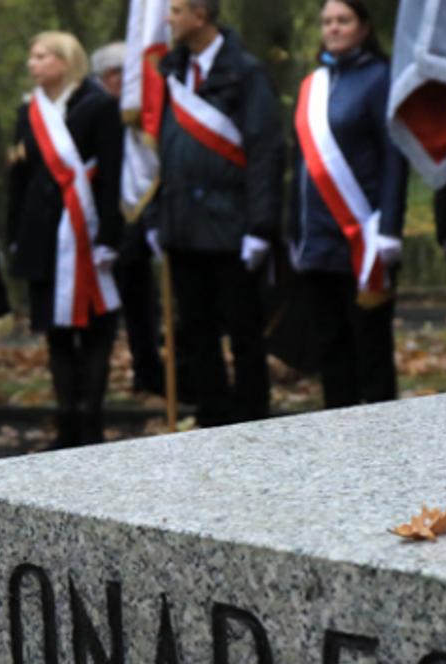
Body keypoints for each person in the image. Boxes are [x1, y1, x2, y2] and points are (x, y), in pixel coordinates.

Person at [154, 0, 282, 426]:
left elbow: (264, 151)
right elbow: (164, 150)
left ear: (200, 15)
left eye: (176, 10)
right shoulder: (172, 72)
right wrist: (157, 217)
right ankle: (211, 419)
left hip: (233, 224)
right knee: (196, 331)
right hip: (182, 224)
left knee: (244, 331)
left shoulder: (246, 73)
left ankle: (252, 418)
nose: (168, 18)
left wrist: (261, 225)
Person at [9, 32, 124, 449]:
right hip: (43, 236)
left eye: (42, 56)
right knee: (56, 333)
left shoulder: (98, 106)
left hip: (87, 235)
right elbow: (19, 179)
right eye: (32, 56)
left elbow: (112, 174)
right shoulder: (29, 111)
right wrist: (14, 235)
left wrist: (110, 236)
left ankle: (91, 422)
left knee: (95, 333)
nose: (32, 64)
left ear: (65, 60)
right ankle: (66, 423)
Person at [291, 0, 405, 408]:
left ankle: (384, 437)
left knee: (370, 350)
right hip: (317, 242)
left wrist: (390, 226)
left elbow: (394, 156)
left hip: (364, 239)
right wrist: (294, 231)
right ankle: (337, 435)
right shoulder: (312, 84)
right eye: (327, 21)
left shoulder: (380, 78)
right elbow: (300, 164)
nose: (333, 28)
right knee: (331, 351)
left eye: (343, 20)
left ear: (363, 27)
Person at [90, 42, 168, 398]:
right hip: (116, 215)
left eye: (124, 72)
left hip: (154, 208)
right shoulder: (97, 112)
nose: (119, 80)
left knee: (155, 299)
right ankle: (142, 370)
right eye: (111, 74)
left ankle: (168, 371)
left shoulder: (152, 109)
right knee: (131, 299)